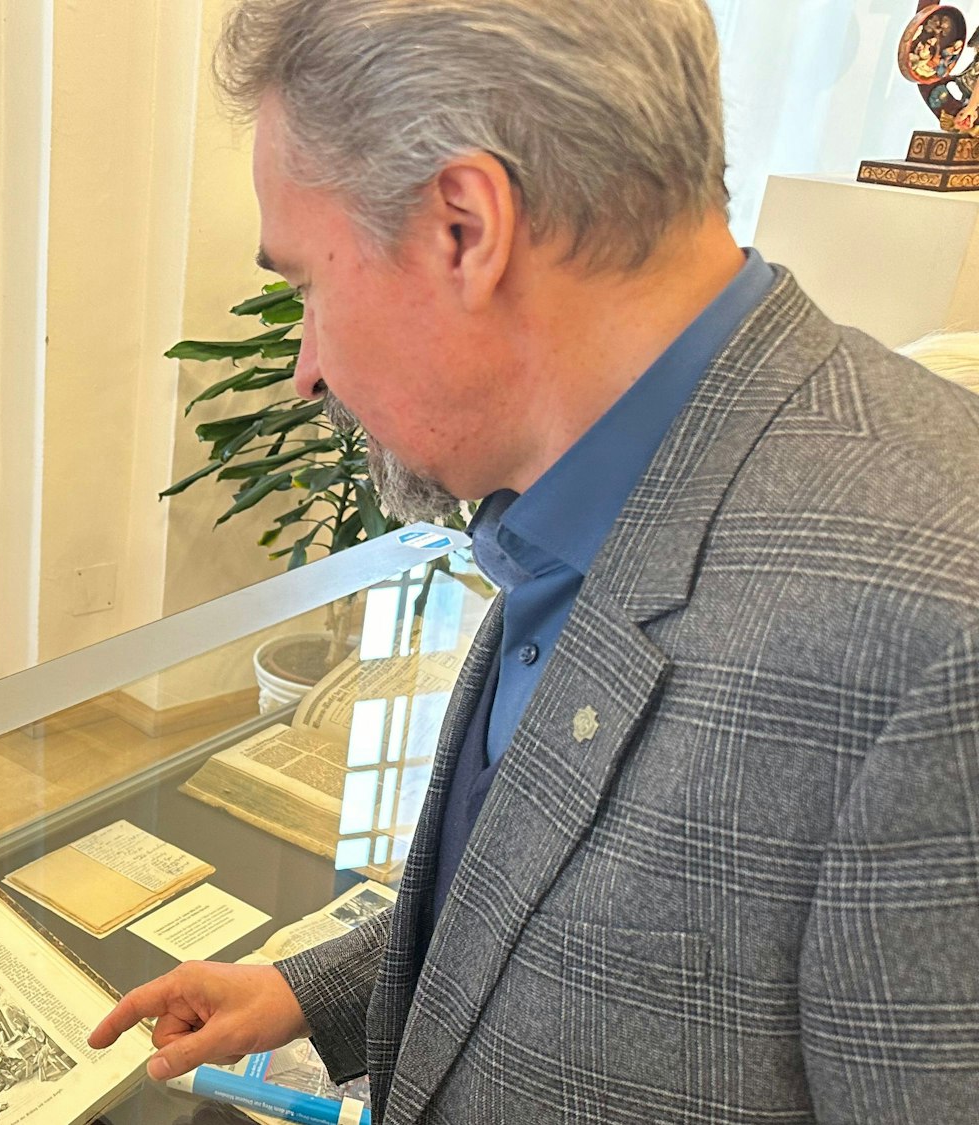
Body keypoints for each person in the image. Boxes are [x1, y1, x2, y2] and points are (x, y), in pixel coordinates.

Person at [90, 1, 979, 1121]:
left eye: (306, 285)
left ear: (463, 227)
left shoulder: (935, 650)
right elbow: (572, 911)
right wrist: (302, 990)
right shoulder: (595, 486)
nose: (306, 366)